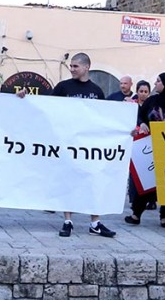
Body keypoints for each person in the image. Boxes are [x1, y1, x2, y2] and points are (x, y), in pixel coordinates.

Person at [49, 52, 116, 238]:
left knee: (93, 181)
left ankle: (95, 223)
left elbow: (104, 118)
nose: (72, 69)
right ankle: (67, 221)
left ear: (86, 67)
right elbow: (46, 107)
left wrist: (125, 129)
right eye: (71, 66)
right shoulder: (63, 87)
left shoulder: (96, 91)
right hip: (68, 142)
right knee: (69, 180)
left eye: (75, 66)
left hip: (89, 145)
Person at [126, 72, 165, 227]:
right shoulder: (151, 100)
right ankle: (136, 214)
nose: (155, 83)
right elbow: (141, 116)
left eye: (159, 81)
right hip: (149, 146)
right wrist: (142, 123)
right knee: (146, 178)